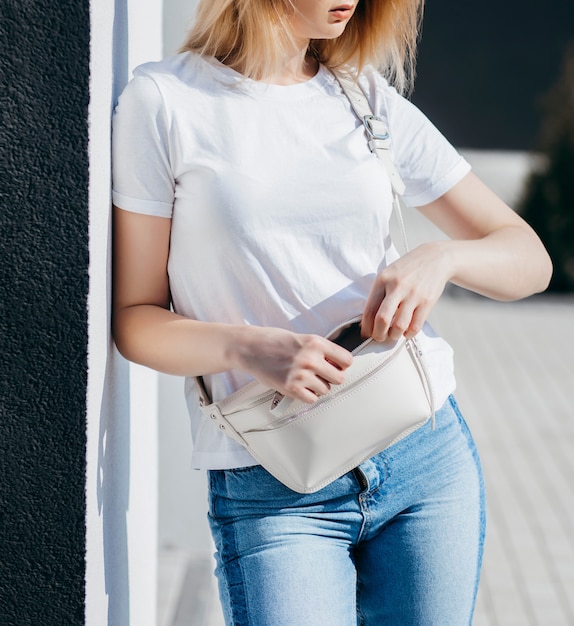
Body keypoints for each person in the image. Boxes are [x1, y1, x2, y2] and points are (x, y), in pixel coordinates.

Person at [111, 1, 552, 623]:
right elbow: (134, 319)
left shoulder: (365, 100)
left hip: (423, 458)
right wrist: (250, 348)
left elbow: (530, 260)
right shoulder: (164, 102)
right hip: (273, 484)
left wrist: (442, 258)